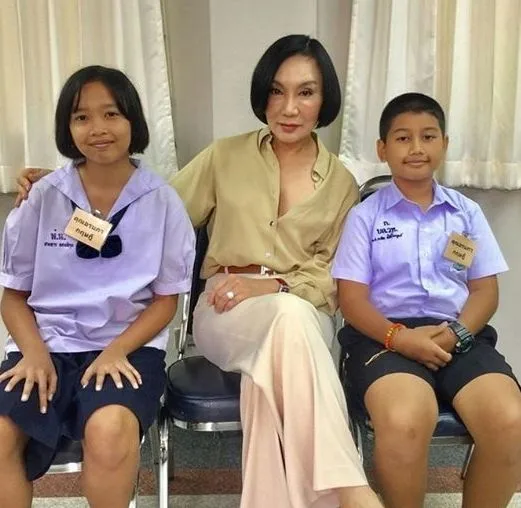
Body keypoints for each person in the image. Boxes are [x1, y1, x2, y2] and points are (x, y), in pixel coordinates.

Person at [15, 36, 382, 508]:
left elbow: (334, 275)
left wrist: (275, 284)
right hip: (225, 309)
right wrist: (66, 181)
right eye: (276, 91)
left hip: (303, 312)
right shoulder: (224, 156)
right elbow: (147, 208)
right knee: (286, 329)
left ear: (325, 99)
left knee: (280, 344)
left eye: (305, 92)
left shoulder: (342, 184)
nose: (289, 107)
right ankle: (352, 490)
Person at [0, 65, 195, 508]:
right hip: (45, 343)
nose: (98, 128)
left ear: (132, 121)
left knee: (109, 431)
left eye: (111, 114)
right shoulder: (43, 196)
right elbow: (12, 296)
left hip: (126, 346)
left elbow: (166, 301)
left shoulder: (162, 201)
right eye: (81, 117)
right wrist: (34, 353)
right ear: (67, 128)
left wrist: (116, 350)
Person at [332, 92, 521, 508]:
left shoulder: (466, 213)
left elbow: (485, 292)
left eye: (428, 136)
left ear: (444, 144)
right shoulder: (365, 216)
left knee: (511, 421)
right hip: (384, 338)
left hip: (458, 336)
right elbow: (352, 298)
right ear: (382, 149)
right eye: (403, 138)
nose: (416, 148)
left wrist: (455, 334)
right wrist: (400, 338)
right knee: (405, 420)